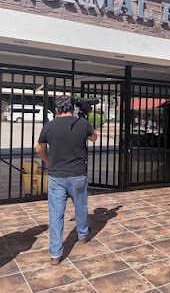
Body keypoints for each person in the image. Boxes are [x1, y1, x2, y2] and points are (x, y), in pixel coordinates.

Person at [36, 95, 97, 266]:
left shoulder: (49, 127)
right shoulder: (83, 124)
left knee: (56, 214)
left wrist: (48, 161)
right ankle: (83, 235)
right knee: (81, 206)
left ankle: (55, 254)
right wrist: (84, 118)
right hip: (77, 174)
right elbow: (94, 138)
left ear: (56, 109)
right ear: (73, 107)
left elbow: (39, 149)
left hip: (56, 176)